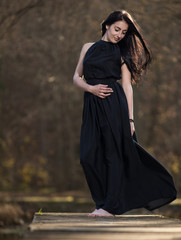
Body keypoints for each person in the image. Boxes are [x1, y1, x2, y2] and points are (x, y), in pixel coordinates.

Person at [73, 10, 177, 217]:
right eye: (116, 29)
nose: (119, 34)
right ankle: (101, 202)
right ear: (106, 25)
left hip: (114, 106)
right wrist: (91, 89)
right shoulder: (88, 48)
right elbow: (76, 76)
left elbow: (127, 86)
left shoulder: (121, 52)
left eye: (123, 32)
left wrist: (130, 119)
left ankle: (108, 207)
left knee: (113, 155)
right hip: (92, 106)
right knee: (88, 155)